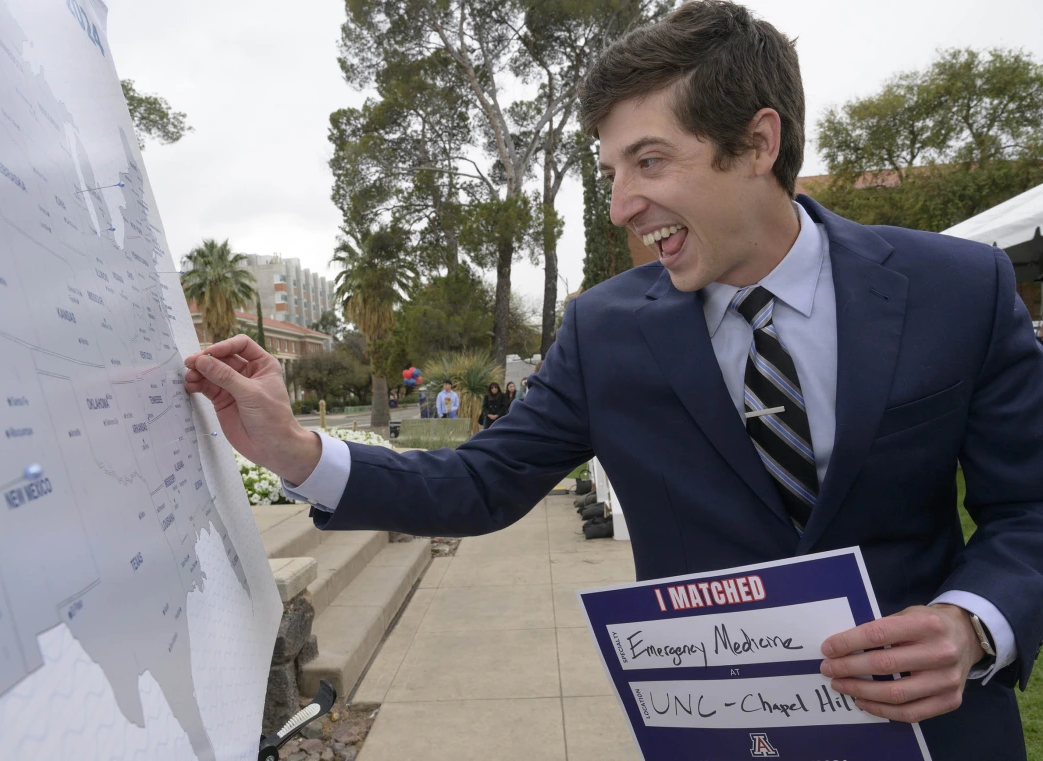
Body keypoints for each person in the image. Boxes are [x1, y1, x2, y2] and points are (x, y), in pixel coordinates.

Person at [182, 4, 1043, 757]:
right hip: (724, 736)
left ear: (758, 142)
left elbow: (1028, 508)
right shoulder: (603, 330)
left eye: (650, 162)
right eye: (611, 173)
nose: (622, 204)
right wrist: (297, 451)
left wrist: (973, 622)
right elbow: (483, 480)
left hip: (941, 734)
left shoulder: (958, 289)